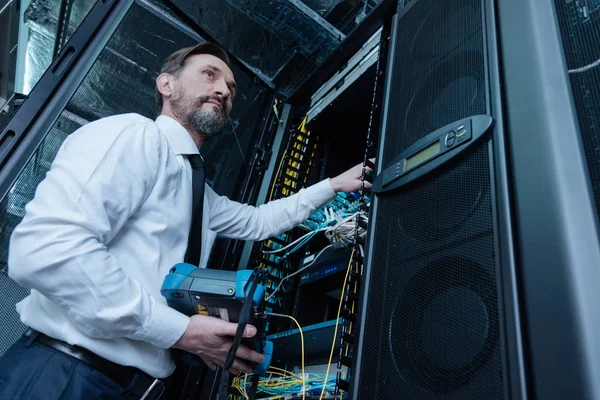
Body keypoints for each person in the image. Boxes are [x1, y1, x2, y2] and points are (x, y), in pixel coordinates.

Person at [0, 42, 372, 400]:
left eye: (229, 87)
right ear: (166, 84)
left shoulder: (197, 189)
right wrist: (182, 331)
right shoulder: (135, 136)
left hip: (123, 385)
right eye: (209, 74)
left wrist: (333, 185)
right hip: (63, 375)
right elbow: (46, 251)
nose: (223, 90)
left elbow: (258, 222)